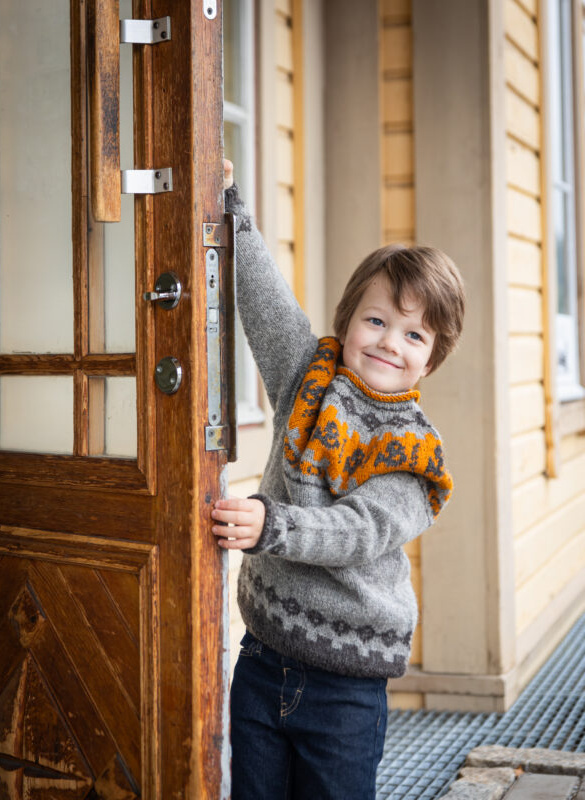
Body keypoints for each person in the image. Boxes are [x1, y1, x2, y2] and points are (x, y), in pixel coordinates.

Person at [212, 159, 465, 800]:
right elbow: (267, 302)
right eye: (376, 321)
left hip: (346, 685)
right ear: (349, 318)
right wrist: (229, 207)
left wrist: (274, 523)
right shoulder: (310, 379)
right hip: (262, 658)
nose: (389, 343)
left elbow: (358, 531)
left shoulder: (415, 453)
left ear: (432, 358)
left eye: (414, 334)